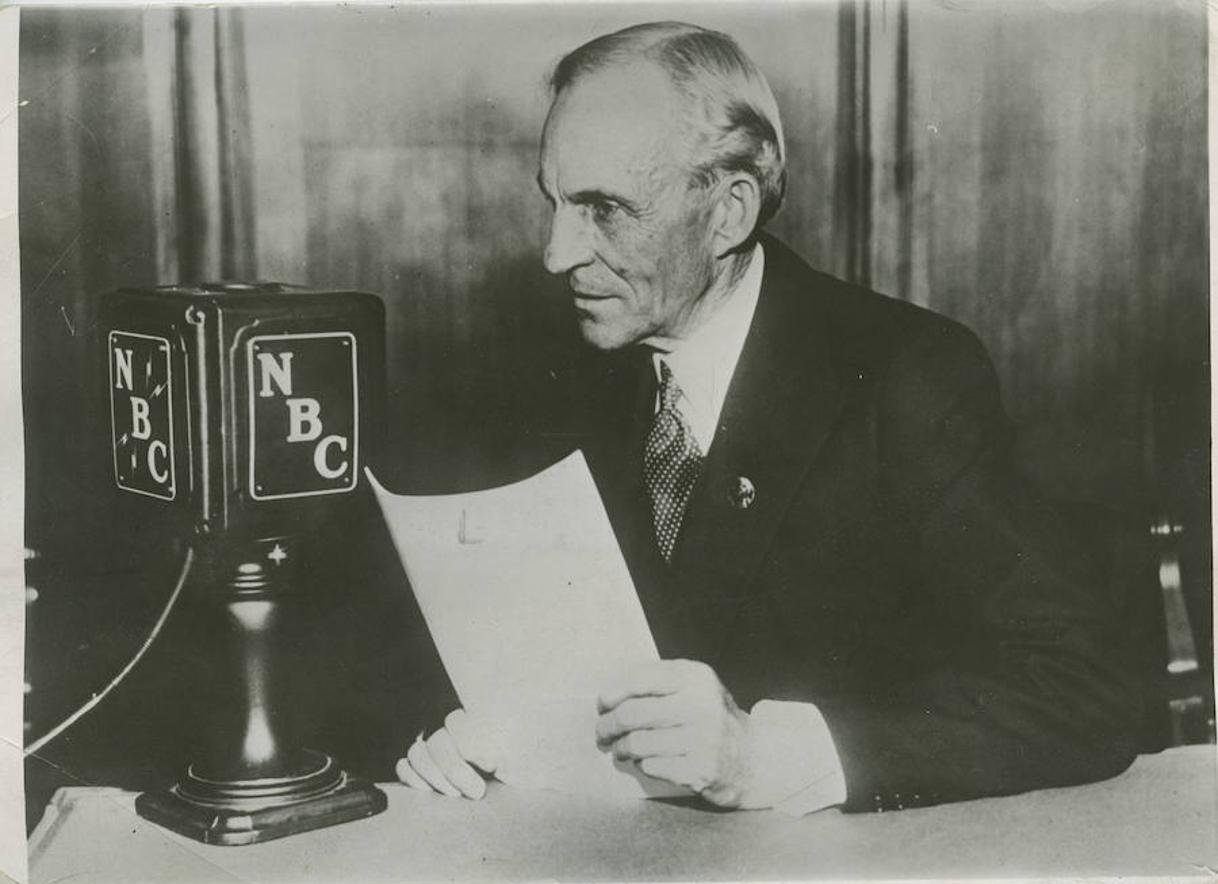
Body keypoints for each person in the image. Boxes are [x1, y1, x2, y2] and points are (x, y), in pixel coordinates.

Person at [395, 21, 1139, 813]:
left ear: (728, 212)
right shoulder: (559, 377)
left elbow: (1085, 688)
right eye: (555, 204)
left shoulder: (904, 377)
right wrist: (482, 735)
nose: (555, 254)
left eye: (603, 210)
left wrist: (770, 757)